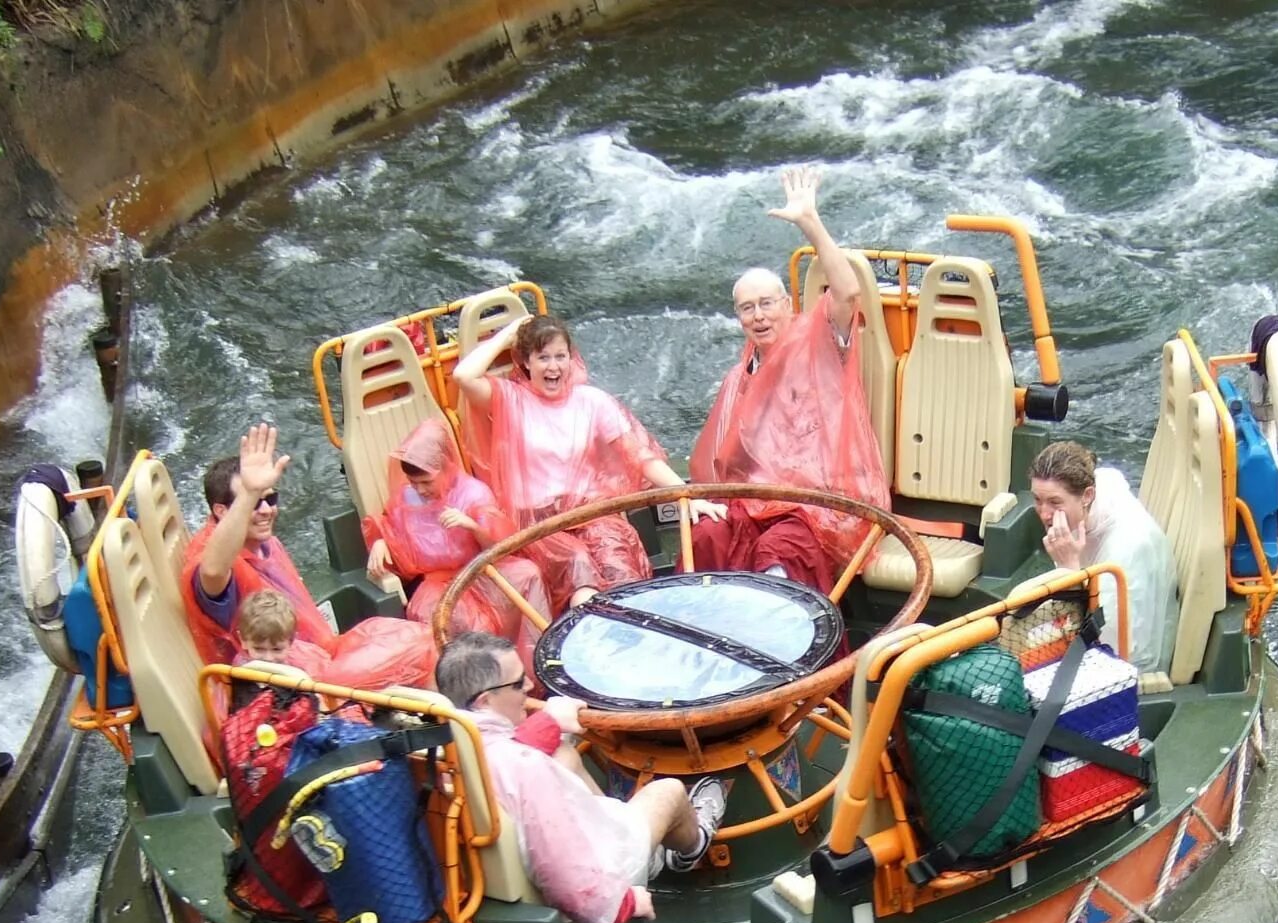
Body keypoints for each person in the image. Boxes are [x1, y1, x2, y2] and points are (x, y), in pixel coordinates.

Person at [436, 632, 725, 923]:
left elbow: (500, 759)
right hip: (594, 889)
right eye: (518, 682)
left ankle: (643, 848)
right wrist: (624, 905)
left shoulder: (441, 751)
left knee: (564, 755)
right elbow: (567, 878)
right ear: (485, 701)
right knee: (668, 793)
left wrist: (549, 724)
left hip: (495, 876)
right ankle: (690, 850)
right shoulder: (525, 767)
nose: (529, 686)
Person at [687, 166, 890, 598]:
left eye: (766, 304)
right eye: (747, 309)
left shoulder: (818, 342)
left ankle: (787, 646)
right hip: (757, 497)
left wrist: (809, 223)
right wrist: (701, 501)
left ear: (786, 304)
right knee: (706, 535)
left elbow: (847, 292)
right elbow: (723, 461)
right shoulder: (741, 375)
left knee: (776, 553)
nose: (758, 316)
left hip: (818, 500)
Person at [455, 312, 689, 609]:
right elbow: (464, 376)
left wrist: (686, 495)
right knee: (579, 568)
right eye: (543, 358)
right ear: (526, 362)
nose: (553, 367)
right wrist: (510, 332)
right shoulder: (510, 400)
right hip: (539, 525)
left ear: (571, 358)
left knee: (618, 564)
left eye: (560, 356)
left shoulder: (591, 401)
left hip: (592, 512)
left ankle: (635, 629)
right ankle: (590, 630)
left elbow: (641, 457)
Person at [180, 422, 435, 692]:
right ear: (221, 511)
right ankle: (459, 726)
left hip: (318, 654)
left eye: (271, 498)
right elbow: (212, 572)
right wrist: (250, 492)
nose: (266, 510)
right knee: (422, 648)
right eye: (254, 503)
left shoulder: (263, 543)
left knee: (409, 632)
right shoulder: (218, 565)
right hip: (292, 682)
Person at [367, 419, 553, 671]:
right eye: (414, 483)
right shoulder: (405, 498)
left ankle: (537, 663)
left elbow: (500, 545)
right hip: (438, 582)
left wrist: (473, 527)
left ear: (445, 468)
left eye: (427, 482)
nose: (420, 490)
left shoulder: (473, 493)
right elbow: (390, 526)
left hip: (479, 569)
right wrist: (380, 541)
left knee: (528, 574)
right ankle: (486, 680)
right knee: (459, 619)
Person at [1028, 440, 1173, 675]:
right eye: (1037, 500)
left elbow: (1110, 644)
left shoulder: (1127, 548)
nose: (1044, 514)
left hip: (1127, 668)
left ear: (1087, 495)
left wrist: (1069, 571)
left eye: (1055, 502)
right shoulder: (1085, 507)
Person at [233, 588, 332, 677]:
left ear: (291, 642)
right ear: (243, 640)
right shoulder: (240, 665)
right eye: (259, 649)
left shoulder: (306, 660)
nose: (269, 658)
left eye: (277, 649)